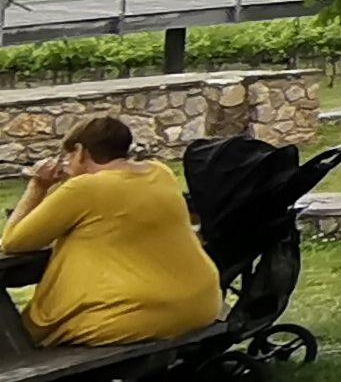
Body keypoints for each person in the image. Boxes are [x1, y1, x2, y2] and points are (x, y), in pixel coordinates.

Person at [5, 113, 221, 350]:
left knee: (16, 345)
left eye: (69, 155)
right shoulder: (161, 173)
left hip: (135, 314)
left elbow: (14, 241)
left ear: (80, 152)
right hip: (201, 304)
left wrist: (38, 186)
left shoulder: (85, 188)